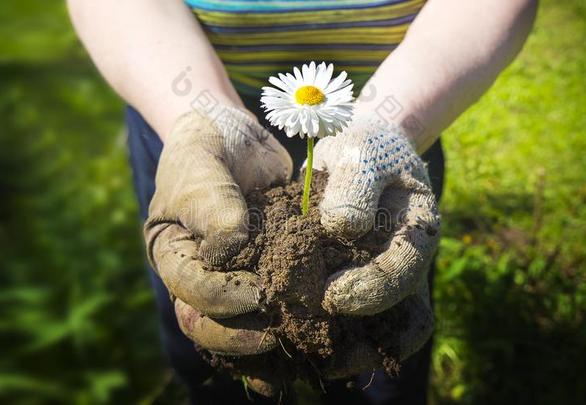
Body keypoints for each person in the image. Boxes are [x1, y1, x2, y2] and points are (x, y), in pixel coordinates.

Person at [68, 0, 537, 403]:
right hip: (178, 109)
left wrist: (393, 128)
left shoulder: (392, 129)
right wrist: (195, 115)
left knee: (380, 333)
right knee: (210, 325)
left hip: (409, 107)